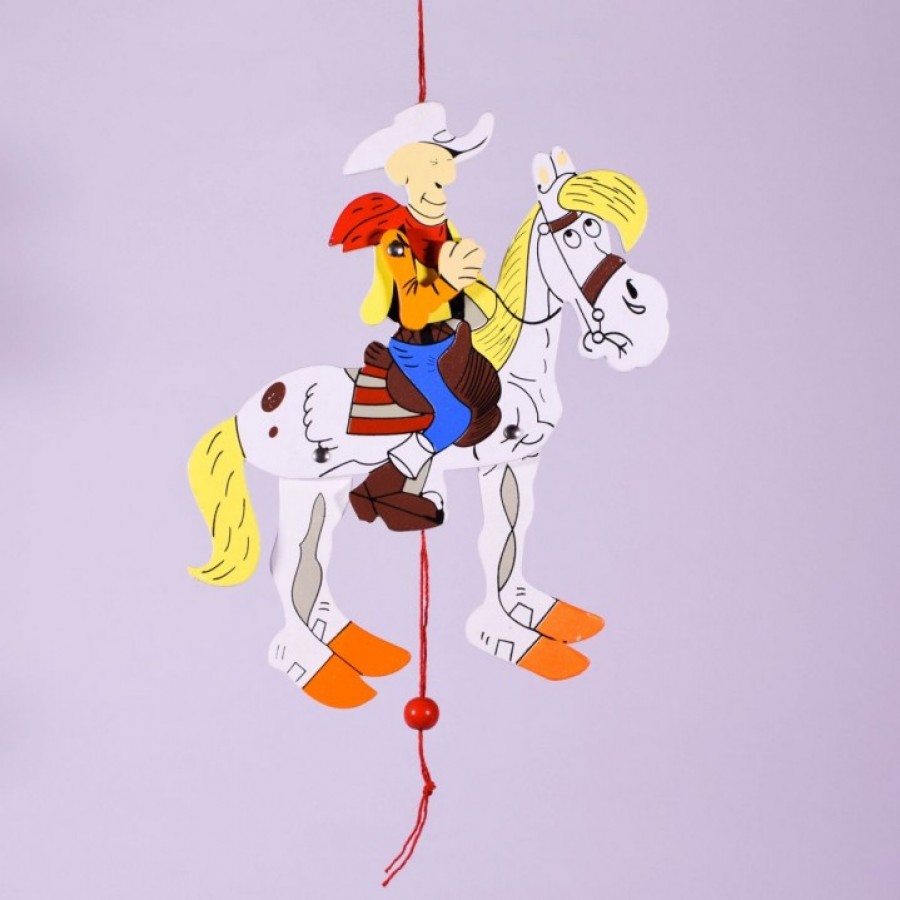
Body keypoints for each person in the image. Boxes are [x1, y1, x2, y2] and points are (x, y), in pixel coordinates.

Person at [330, 102, 501, 531]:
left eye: (444, 176)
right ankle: (378, 486)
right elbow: (412, 308)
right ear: (404, 174)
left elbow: (469, 284)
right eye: (431, 174)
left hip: (451, 339)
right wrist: (449, 279)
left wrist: (491, 300)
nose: (440, 188)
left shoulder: (447, 228)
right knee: (454, 416)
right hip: (417, 349)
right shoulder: (395, 240)